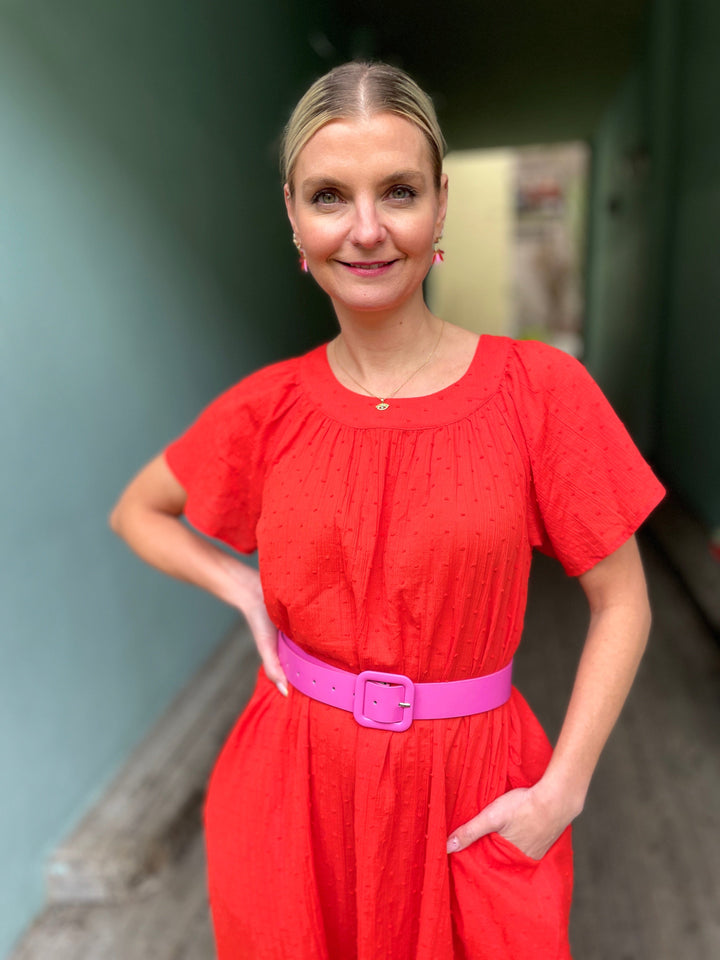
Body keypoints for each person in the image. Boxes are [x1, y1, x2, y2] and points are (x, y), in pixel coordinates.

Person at [110, 61, 665, 960]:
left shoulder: (538, 391)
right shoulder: (270, 406)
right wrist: (242, 590)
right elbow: (140, 509)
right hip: (293, 793)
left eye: (399, 191)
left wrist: (563, 791)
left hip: (470, 801)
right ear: (294, 217)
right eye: (330, 196)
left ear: (440, 206)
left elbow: (624, 600)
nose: (366, 230)